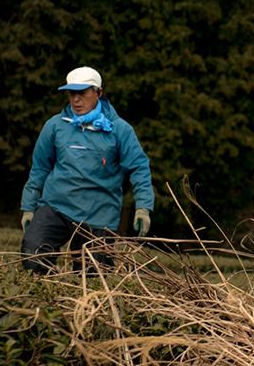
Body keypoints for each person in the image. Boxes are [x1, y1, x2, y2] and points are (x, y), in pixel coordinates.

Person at [19, 66, 155, 275]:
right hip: (56, 208)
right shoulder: (55, 126)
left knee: (92, 279)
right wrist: (29, 206)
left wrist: (143, 207)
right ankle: (50, 298)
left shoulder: (120, 130)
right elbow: (40, 168)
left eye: (82, 93)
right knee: (33, 254)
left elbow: (139, 167)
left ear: (99, 93)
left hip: (99, 216)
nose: (76, 100)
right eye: (72, 94)